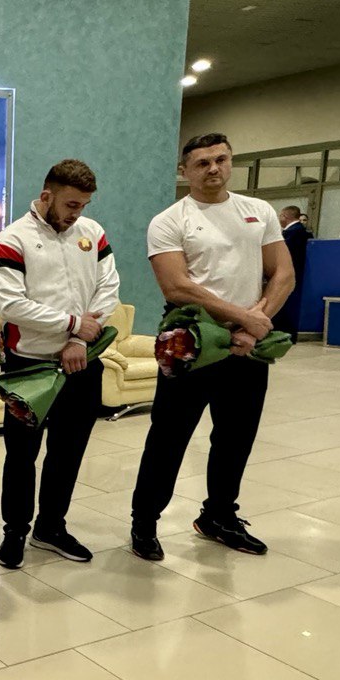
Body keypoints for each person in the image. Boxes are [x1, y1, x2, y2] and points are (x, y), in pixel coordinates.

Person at [129, 134, 294, 560]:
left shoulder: (258, 212)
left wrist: (253, 324)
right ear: (185, 171)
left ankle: (218, 516)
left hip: (247, 347)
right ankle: (144, 522)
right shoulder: (170, 220)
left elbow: (283, 274)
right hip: (190, 343)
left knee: (236, 437)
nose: (213, 169)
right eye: (202, 163)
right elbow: (177, 286)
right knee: (168, 438)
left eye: (221, 159)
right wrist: (243, 318)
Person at [0, 160, 121, 568]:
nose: (76, 214)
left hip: (82, 363)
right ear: (46, 196)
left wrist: (79, 339)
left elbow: (109, 287)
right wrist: (72, 325)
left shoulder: (92, 233)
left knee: (68, 452)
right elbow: (11, 305)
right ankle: (15, 531)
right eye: (70, 205)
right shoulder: (12, 239)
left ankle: (51, 527)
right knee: (21, 456)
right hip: (28, 366)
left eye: (83, 205)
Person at [273, 206, 310, 338]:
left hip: (290, 273)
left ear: (285, 216)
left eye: (280, 216)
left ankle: (285, 333)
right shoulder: (295, 231)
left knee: (287, 304)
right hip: (293, 273)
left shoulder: (294, 232)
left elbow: (283, 254)